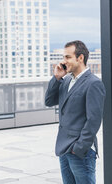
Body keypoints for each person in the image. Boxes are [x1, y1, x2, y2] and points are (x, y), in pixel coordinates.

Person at [45, 40, 106, 184]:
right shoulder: (66, 81)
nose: (64, 61)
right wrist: (57, 78)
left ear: (80, 58)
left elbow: (94, 120)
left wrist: (78, 148)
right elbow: (48, 101)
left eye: (68, 57)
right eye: (64, 57)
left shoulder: (93, 83)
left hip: (80, 152)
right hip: (64, 149)